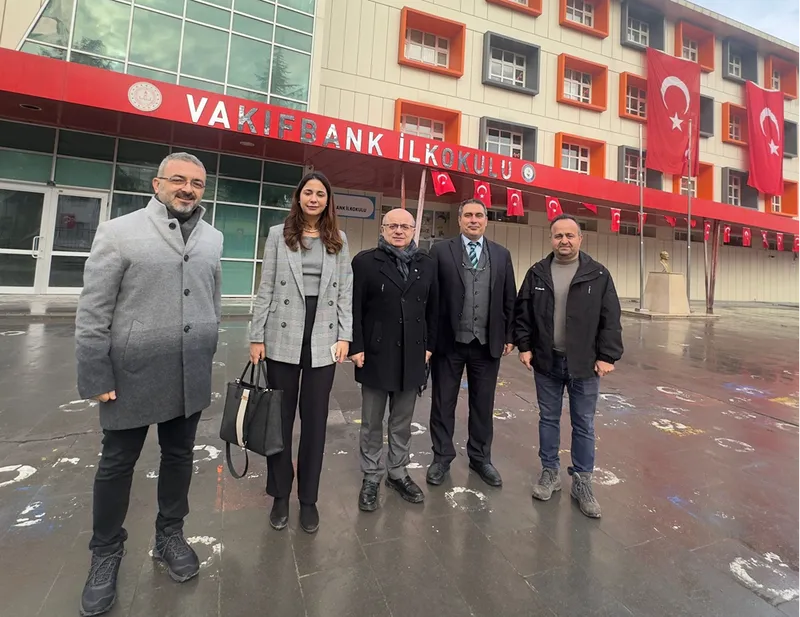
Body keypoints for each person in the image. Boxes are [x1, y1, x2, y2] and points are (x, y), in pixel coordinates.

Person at [75, 152, 223, 616]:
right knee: (117, 464)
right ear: (157, 184)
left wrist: (208, 342)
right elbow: (93, 309)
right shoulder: (118, 232)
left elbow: (213, 298)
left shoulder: (213, 237)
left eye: (196, 183)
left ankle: (170, 535)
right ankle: (105, 553)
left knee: (180, 456)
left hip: (190, 370)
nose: (188, 188)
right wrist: (95, 372)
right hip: (130, 375)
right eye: (178, 179)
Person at [249, 171, 352, 534]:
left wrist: (345, 335)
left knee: (315, 421)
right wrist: (256, 336)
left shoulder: (338, 238)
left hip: (323, 333)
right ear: (298, 197)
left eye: (320, 194)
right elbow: (265, 286)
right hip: (282, 332)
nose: (313, 199)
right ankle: (280, 494)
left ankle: (308, 498)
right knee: (279, 419)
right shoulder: (279, 234)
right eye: (308, 192)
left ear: (328, 201)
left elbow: (344, 291)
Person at [514, 213, 623, 518]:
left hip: (585, 364)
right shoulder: (537, 273)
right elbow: (523, 314)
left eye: (570, 235)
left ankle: (582, 481)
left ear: (580, 239)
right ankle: (550, 472)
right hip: (546, 361)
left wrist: (607, 356)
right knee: (548, 419)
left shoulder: (598, 274)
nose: (564, 240)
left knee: (584, 423)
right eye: (558, 235)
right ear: (551, 239)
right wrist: (525, 346)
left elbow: (610, 318)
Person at [349, 208, 438, 511]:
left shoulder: (426, 264)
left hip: (413, 352)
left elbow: (434, 308)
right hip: (375, 353)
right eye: (393, 226)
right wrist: (356, 346)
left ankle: (397, 473)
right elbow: (354, 307)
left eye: (405, 226)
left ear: (414, 230)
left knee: (401, 421)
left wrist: (429, 346)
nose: (399, 231)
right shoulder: (365, 262)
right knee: (371, 421)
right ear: (383, 229)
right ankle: (372, 475)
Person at [426, 198, 517, 488]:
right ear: (459, 220)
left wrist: (510, 336)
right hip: (448, 342)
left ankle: (480, 458)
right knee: (443, 402)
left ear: (486, 220)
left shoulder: (501, 254)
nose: (473, 220)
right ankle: (441, 457)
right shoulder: (440, 251)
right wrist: (429, 339)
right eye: (468, 215)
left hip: (486, 343)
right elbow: (430, 298)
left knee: (483, 404)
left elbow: (509, 298)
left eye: (479, 215)